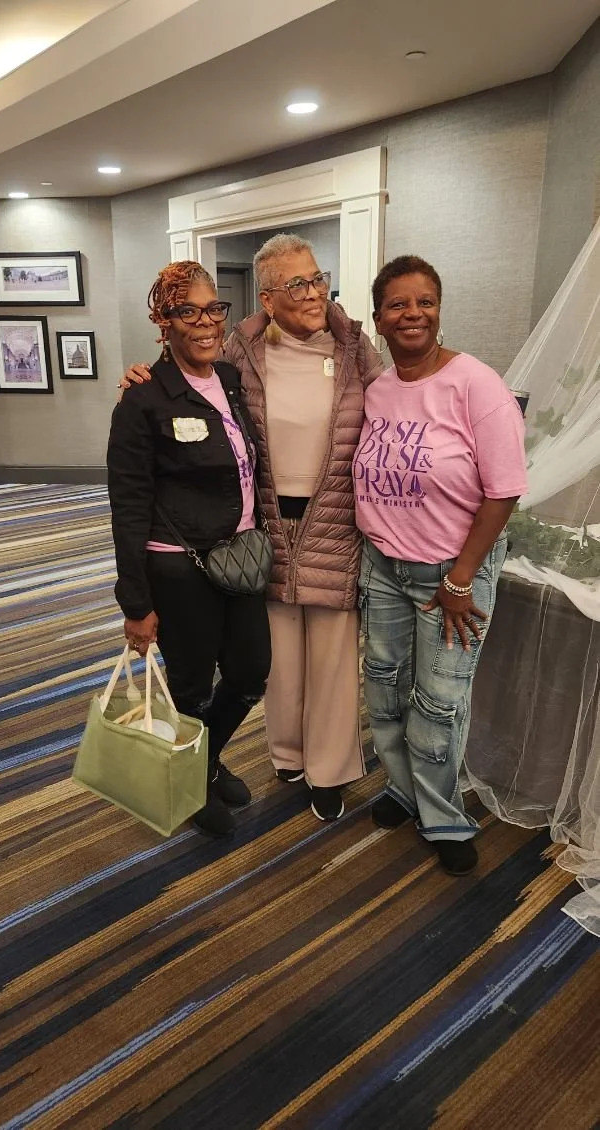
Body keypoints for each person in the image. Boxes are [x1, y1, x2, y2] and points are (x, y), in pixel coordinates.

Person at [120, 234, 384, 822]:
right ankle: (266, 760)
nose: (314, 291)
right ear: (266, 299)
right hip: (250, 536)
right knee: (266, 663)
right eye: (298, 283)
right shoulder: (242, 357)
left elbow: (393, 403)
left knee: (310, 662)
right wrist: (143, 372)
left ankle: (326, 769)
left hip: (331, 522)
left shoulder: (349, 350)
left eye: (319, 279)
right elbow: (134, 490)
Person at [354, 255, 528, 875]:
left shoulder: (477, 384)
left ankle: (445, 817)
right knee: (383, 690)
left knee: (436, 705)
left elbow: (504, 489)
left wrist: (460, 578)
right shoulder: (378, 389)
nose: (412, 314)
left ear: (439, 309)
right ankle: (406, 790)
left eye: (424, 301)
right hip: (383, 567)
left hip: (452, 576)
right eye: (398, 304)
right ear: (379, 318)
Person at [107, 260, 271, 838]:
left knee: (252, 673)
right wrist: (135, 602)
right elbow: (127, 506)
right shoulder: (144, 401)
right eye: (188, 311)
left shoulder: (227, 379)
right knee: (194, 687)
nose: (205, 322)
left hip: (238, 560)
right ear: (165, 321)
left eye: (213, 308)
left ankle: (203, 759)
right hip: (179, 568)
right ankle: (195, 782)